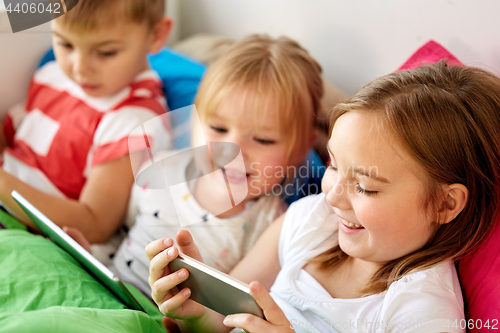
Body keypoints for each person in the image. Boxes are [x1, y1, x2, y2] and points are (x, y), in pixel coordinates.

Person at [146, 61, 500, 333]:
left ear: (446, 204)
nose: (332, 195)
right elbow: (225, 321)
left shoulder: (421, 311)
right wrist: (193, 308)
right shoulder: (308, 221)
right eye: (333, 165)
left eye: (365, 186)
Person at [111, 35, 323, 294]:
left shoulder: (273, 229)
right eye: (218, 128)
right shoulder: (160, 168)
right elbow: (120, 235)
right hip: (107, 288)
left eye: (263, 139)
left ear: (300, 151)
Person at [0, 0, 172, 243]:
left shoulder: (134, 120)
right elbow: (11, 143)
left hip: (41, 240)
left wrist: (3, 183)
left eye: (106, 52)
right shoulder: (52, 75)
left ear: (156, 35)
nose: (80, 69)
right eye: (65, 43)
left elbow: (94, 224)